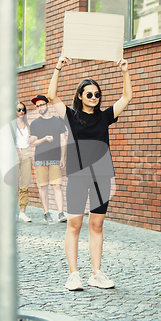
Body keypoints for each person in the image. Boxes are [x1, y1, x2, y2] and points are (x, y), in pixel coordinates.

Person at [46, 53, 132, 291]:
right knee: (74, 226)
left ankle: (96, 273)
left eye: (97, 94)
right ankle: (74, 275)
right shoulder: (71, 117)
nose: (94, 97)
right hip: (77, 177)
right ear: (80, 96)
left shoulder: (105, 117)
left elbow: (127, 97)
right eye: (90, 94)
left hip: (102, 177)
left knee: (97, 226)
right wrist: (58, 68)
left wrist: (125, 70)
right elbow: (52, 96)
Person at [29, 95, 68, 224]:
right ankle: (46, 213)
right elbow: (33, 143)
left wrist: (63, 157)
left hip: (55, 159)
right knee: (43, 187)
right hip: (40, 159)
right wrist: (45, 139)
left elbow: (63, 140)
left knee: (57, 186)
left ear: (48, 105)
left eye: (42, 105)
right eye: (37, 106)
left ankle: (61, 213)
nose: (40, 108)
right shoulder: (34, 124)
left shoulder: (58, 121)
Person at [15, 102, 34, 222]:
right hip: (15, 152)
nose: (21, 111)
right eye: (18, 109)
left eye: (23, 109)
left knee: (25, 184)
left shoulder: (28, 124)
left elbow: (32, 138)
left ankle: (22, 212)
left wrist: (32, 138)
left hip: (26, 153)